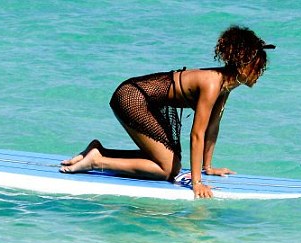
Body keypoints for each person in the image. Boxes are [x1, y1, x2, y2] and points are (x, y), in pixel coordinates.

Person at [59, 25, 275, 199]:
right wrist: (197, 183)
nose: (260, 73)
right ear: (242, 66)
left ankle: (99, 150)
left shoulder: (225, 85)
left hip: (144, 100)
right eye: (258, 68)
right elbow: (197, 134)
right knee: (167, 169)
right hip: (132, 98)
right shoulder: (212, 83)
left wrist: (208, 167)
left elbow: (212, 127)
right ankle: (97, 161)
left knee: (168, 161)